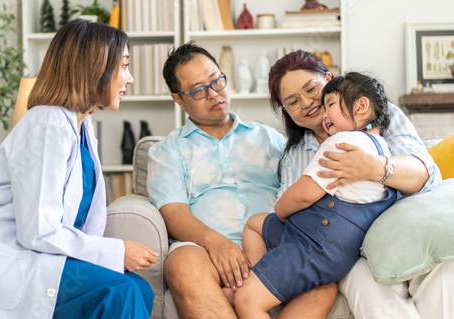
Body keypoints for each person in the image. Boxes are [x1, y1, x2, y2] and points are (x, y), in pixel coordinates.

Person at [0, 19, 157, 319]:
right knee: (120, 291)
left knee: (140, 288)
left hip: (38, 252)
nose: (130, 78)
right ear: (94, 68)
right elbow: (37, 230)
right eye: (124, 66)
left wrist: (106, 256)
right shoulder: (48, 124)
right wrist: (116, 252)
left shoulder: (82, 125)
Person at [237, 49, 452, 319]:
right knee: (367, 283)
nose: (306, 103)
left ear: (329, 79)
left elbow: (427, 174)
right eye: (292, 101)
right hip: (344, 249)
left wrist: (376, 168)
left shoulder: (379, 118)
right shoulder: (295, 156)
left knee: (444, 268)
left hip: (395, 233)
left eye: (311, 88)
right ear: (286, 111)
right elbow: (292, 211)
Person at [147, 41, 296, 318]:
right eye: (198, 90)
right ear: (178, 99)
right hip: (206, 250)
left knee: (323, 273)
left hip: (274, 245)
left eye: (217, 81)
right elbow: (174, 211)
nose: (214, 94)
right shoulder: (167, 151)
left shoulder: (270, 139)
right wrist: (216, 243)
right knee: (182, 264)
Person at [236, 72, 398, 318]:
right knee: (255, 223)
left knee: (246, 300)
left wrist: (280, 208)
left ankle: (261, 285)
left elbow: (304, 195)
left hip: (314, 245)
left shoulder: (342, 142)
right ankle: (267, 276)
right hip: (325, 245)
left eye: (330, 104)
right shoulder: (382, 148)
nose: (324, 113)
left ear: (361, 106)